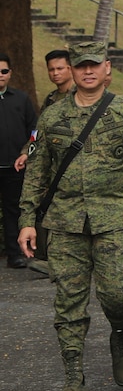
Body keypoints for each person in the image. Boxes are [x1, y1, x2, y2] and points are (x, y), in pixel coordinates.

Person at [18, 38, 123, 391]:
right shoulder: (52, 116)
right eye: (80, 65)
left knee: (117, 294)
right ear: (71, 69)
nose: (87, 71)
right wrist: (27, 221)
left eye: (93, 65)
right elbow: (36, 173)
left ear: (107, 69)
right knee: (68, 302)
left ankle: (120, 333)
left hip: (113, 220)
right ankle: (74, 379)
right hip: (65, 223)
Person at [28, 48, 74, 274]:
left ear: (70, 68)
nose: (55, 73)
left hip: (75, 165)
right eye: (51, 70)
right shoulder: (51, 99)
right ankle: (49, 259)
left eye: (60, 68)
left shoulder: (80, 95)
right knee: (46, 207)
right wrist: (26, 152)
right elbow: (39, 132)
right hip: (53, 164)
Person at [1, 51, 37, 269]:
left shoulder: (21, 99)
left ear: (10, 73)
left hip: (15, 167)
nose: (0, 75)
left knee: (13, 212)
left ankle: (15, 255)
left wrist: (26, 153)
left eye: (4, 71)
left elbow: (35, 131)